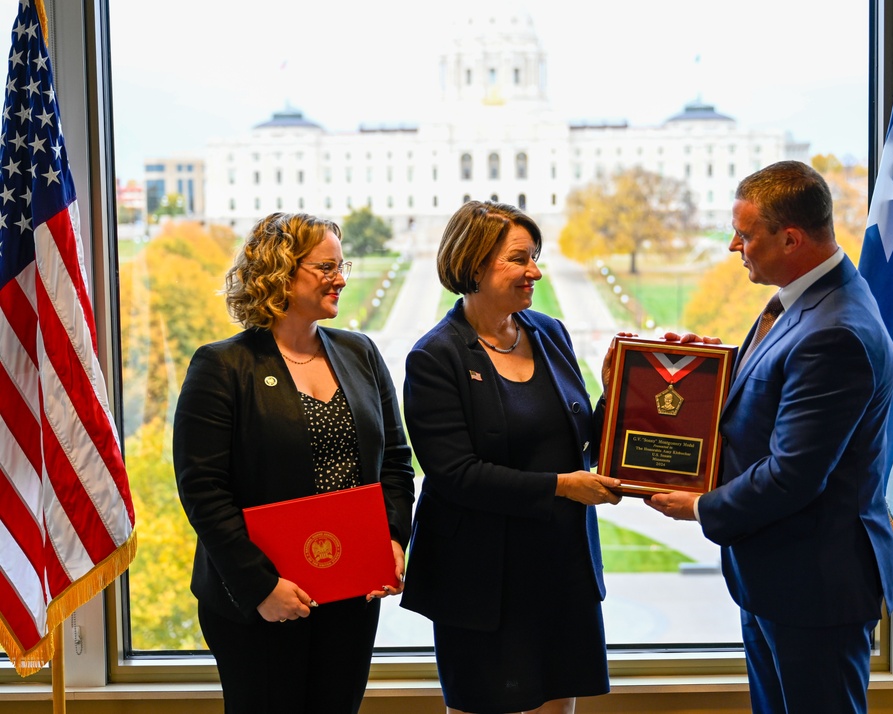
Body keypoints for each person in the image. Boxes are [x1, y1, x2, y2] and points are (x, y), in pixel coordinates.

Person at [646, 161, 893, 714]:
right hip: (779, 578)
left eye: (745, 233)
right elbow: (765, 393)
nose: (733, 246)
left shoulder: (834, 330)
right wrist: (705, 370)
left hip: (814, 587)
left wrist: (700, 507)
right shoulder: (807, 301)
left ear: (791, 237)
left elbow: (793, 474)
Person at [173, 212, 415, 714]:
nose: (341, 279)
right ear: (280, 272)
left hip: (352, 593)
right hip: (260, 603)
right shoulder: (222, 366)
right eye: (326, 268)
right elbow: (203, 491)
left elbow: (395, 461)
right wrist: (261, 587)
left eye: (341, 265)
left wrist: (391, 540)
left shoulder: (361, 352)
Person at [401, 200, 622, 714]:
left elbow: (579, 439)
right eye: (520, 259)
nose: (535, 271)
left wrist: (616, 391)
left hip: (561, 567)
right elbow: (456, 475)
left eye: (535, 257)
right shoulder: (435, 357)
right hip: (481, 583)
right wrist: (563, 486)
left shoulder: (549, 332)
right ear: (475, 265)